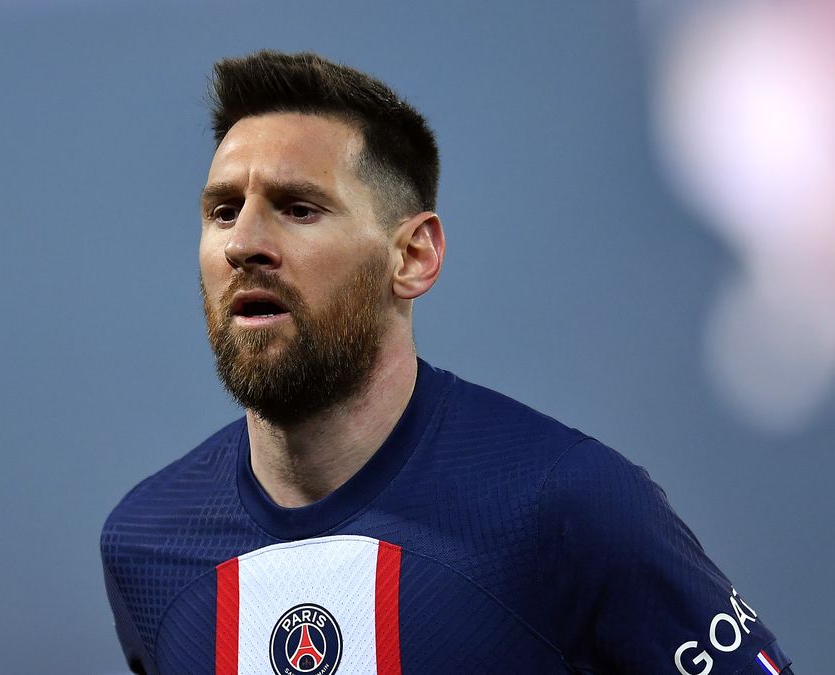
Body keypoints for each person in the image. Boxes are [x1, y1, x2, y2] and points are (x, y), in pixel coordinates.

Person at [100, 50, 791, 675]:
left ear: (413, 256)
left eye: (298, 208)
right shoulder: (146, 544)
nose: (244, 242)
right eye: (223, 210)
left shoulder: (566, 506)